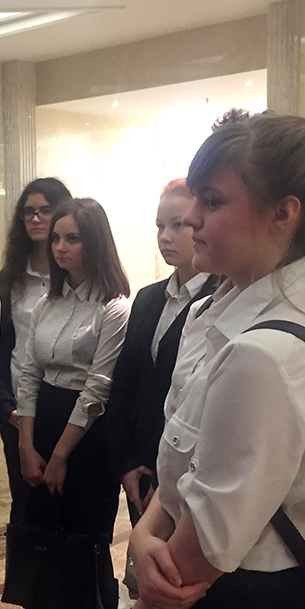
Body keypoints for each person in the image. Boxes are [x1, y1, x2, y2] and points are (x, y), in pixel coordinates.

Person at [112, 110, 305, 609]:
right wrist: (145, 534)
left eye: (212, 201)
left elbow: (205, 546)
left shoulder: (265, 351)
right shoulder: (219, 310)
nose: (192, 219)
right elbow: (189, 465)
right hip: (228, 605)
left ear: (283, 213)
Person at [17, 197, 131, 609]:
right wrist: (27, 445)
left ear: (95, 242)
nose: (60, 248)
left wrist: (61, 455)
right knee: (55, 553)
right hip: (42, 428)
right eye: (57, 238)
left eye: (73, 238)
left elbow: (98, 388)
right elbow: (28, 372)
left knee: (88, 554)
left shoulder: (114, 307)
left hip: (86, 440)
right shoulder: (48, 303)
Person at [106, 179, 218, 531]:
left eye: (177, 225)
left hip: (190, 474)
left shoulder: (221, 301)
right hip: (141, 464)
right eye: (159, 226)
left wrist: (168, 477)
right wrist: (127, 462)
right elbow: (125, 384)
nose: (165, 237)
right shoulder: (147, 298)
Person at [0, 176, 72, 609]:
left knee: (66, 515)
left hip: (67, 413)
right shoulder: (11, 279)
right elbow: (1, 352)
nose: (37, 219)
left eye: (45, 210)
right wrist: (7, 407)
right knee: (27, 515)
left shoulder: (79, 274)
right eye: (29, 212)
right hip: (19, 415)